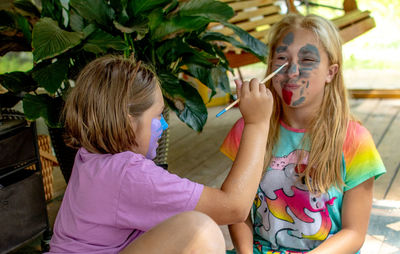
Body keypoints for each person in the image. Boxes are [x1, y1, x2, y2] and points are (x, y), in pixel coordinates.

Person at [48, 55, 274, 254]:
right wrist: (257, 122)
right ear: (128, 122)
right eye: (157, 116)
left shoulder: (91, 156)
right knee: (200, 233)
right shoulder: (128, 174)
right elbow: (234, 207)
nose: (164, 125)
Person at [220, 14, 386, 254]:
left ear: (331, 72)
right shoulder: (250, 129)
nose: (292, 71)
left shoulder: (355, 140)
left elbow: (354, 233)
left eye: (307, 59)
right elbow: (237, 211)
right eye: (282, 59)